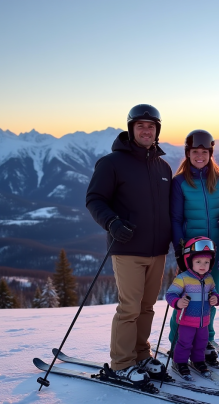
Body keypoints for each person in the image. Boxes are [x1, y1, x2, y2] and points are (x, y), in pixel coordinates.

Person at [85, 104, 173, 384]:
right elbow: (95, 199)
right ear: (131, 129)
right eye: (140, 126)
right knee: (130, 308)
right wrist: (112, 222)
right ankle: (121, 364)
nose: (146, 130)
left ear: (157, 131)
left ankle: (141, 354)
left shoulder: (163, 166)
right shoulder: (112, 163)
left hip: (157, 249)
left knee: (147, 307)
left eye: (151, 126)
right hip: (127, 248)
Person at [168, 129, 219, 367]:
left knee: (210, 297)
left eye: (204, 152)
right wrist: (179, 250)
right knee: (185, 298)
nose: (200, 156)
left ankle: (205, 341)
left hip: (216, 250)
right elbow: (175, 219)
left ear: (210, 153)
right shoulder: (179, 182)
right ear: (188, 153)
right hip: (192, 251)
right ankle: (177, 342)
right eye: (195, 152)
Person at [164, 236, 219, 379]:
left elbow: (213, 292)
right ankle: (180, 362)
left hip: (203, 321)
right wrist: (177, 302)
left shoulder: (209, 279)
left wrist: (216, 298)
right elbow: (170, 294)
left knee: (201, 342)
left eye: (206, 262)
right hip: (186, 320)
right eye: (198, 262)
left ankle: (198, 361)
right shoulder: (183, 278)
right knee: (184, 342)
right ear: (190, 261)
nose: (203, 265)